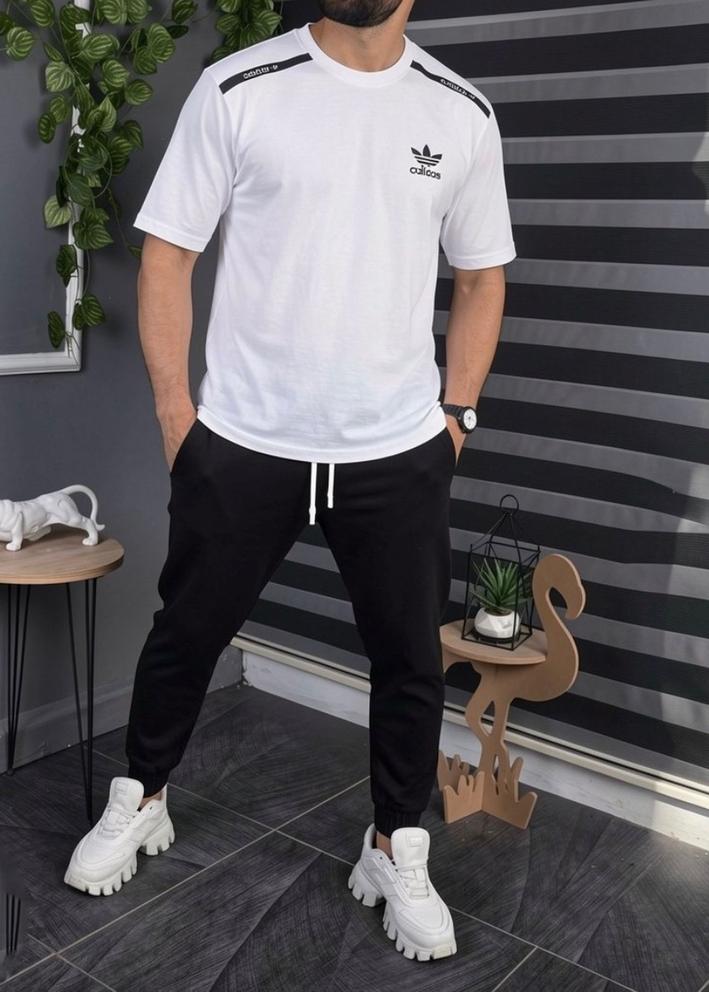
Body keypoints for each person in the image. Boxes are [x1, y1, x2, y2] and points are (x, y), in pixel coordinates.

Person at [64, 0, 516, 962]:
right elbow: (168, 252)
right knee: (186, 633)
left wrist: (456, 419)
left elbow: (482, 276)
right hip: (243, 437)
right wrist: (178, 420)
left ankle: (394, 846)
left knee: (409, 659)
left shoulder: (460, 111)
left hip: (395, 448)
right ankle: (142, 797)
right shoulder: (238, 87)